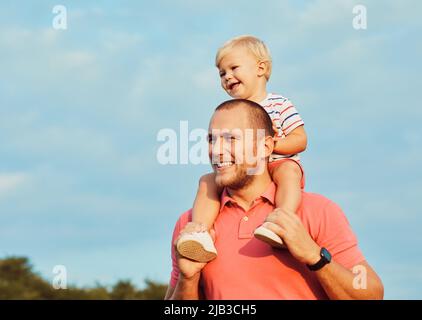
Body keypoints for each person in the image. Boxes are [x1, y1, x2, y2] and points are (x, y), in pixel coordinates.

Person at [165, 99, 383, 300]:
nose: (216, 151)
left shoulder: (318, 210)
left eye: (231, 139)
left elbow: (372, 293)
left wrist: (314, 255)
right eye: (212, 139)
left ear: (266, 147)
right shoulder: (191, 227)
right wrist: (189, 278)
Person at [177, 35, 307, 262]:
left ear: (261, 68)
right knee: (207, 180)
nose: (227, 76)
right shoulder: (231, 113)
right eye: (221, 73)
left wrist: (269, 145)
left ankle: (280, 221)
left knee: (289, 171)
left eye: (233, 68)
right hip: (244, 170)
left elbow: (300, 139)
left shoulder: (279, 104)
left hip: (276, 163)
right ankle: (201, 232)